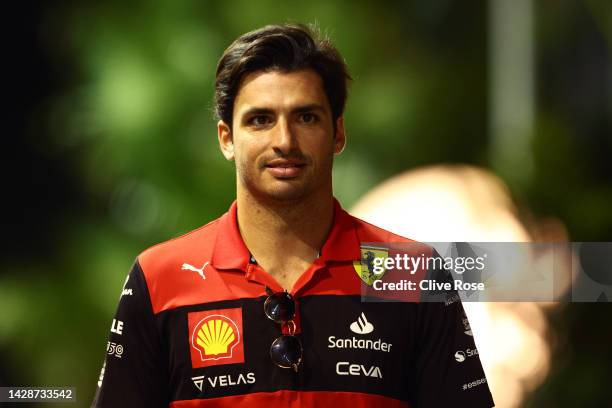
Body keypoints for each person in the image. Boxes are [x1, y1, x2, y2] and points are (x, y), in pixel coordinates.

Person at [92, 23, 495, 407]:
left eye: (306, 117)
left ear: (337, 133)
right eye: (260, 120)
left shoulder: (413, 272)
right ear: (226, 138)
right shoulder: (160, 277)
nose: (284, 141)